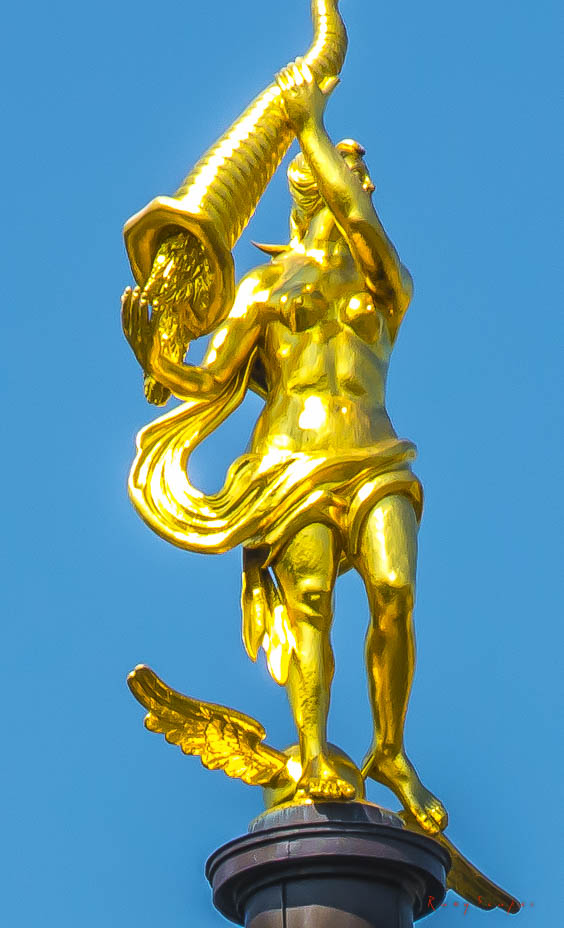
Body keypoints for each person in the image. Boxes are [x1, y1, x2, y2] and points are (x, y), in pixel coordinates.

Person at [122, 60, 447, 833]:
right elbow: (209, 380)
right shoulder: (264, 290)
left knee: (394, 589)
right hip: (292, 465)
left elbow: (363, 230)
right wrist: (157, 355)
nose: (363, 189)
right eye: (350, 177)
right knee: (311, 605)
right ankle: (310, 753)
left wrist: (307, 122)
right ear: (309, 190)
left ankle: (390, 751)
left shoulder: (382, 284)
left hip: (374, 455)